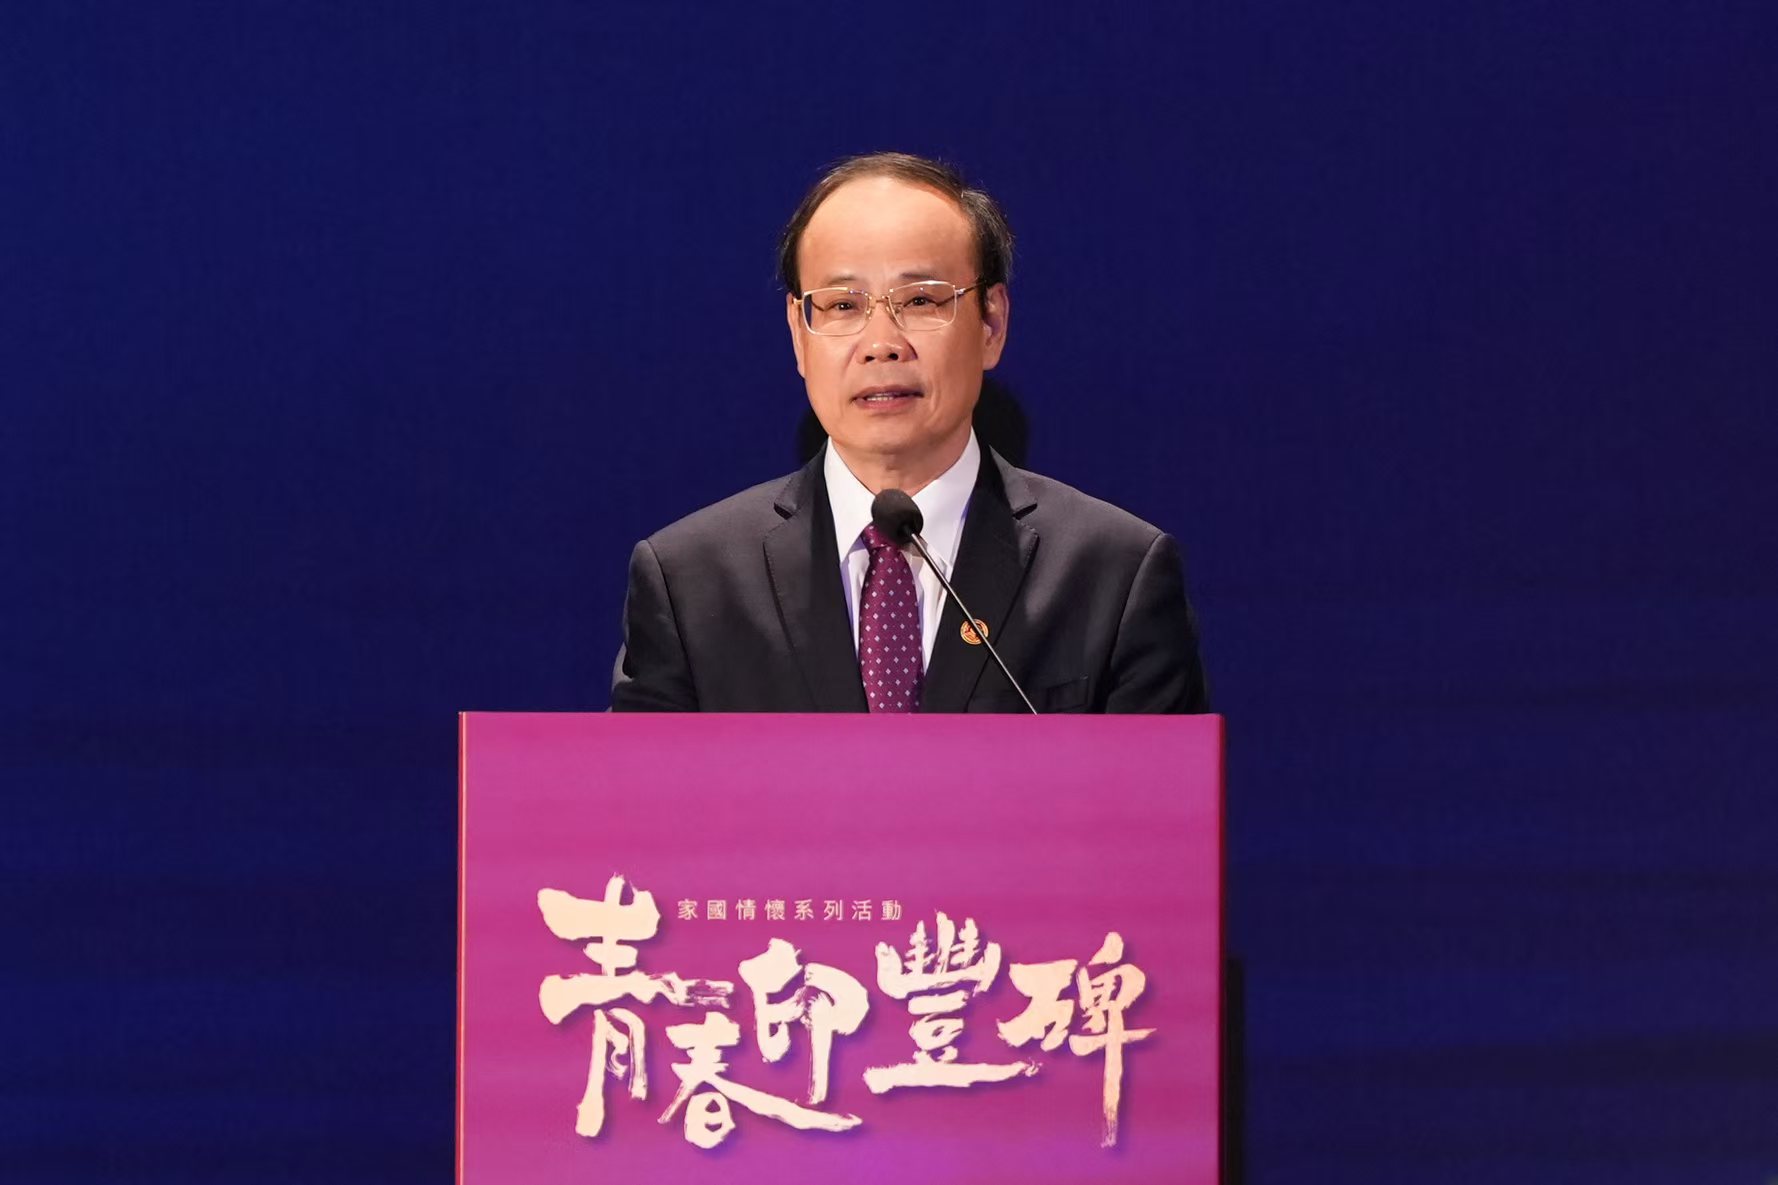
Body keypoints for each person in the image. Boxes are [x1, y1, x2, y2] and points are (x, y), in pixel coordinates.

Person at [611, 152, 1208, 713]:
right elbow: (641, 789)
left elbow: (1156, 791)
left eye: (921, 300)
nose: (881, 344)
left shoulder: (1112, 574)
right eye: (842, 306)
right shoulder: (691, 582)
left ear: (992, 323)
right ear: (798, 332)